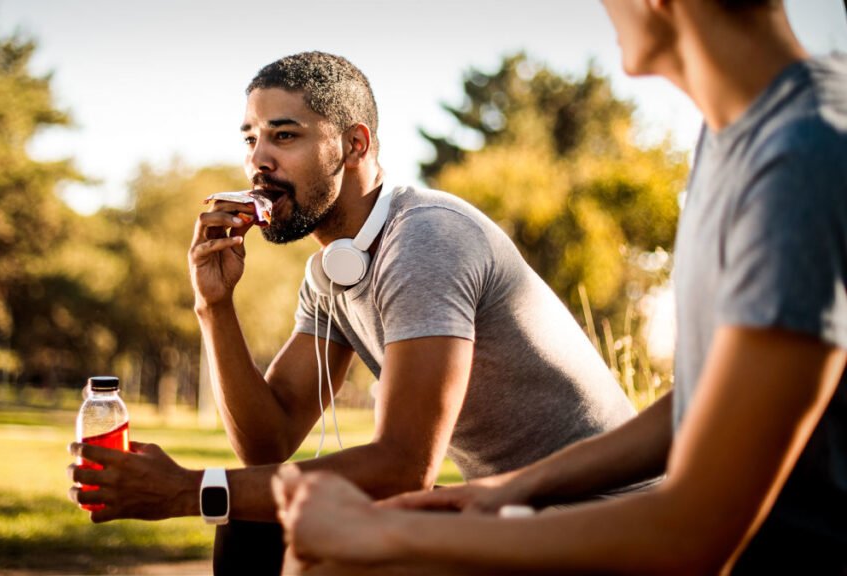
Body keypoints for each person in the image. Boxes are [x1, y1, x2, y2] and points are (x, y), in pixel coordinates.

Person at [272, 1, 847, 574]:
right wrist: (508, 489)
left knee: (343, 565)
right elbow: (704, 401)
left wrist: (387, 533)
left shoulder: (804, 155)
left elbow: (693, 533)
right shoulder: (736, 136)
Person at [68, 51, 640, 575]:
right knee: (254, 517)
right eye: (250, 139)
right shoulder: (332, 273)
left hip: (598, 523)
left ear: (354, 144)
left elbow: (403, 465)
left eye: (283, 135)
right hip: (507, 514)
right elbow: (269, 442)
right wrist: (213, 306)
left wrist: (186, 489)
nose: (257, 162)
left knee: (248, 510)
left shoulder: (424, 240)